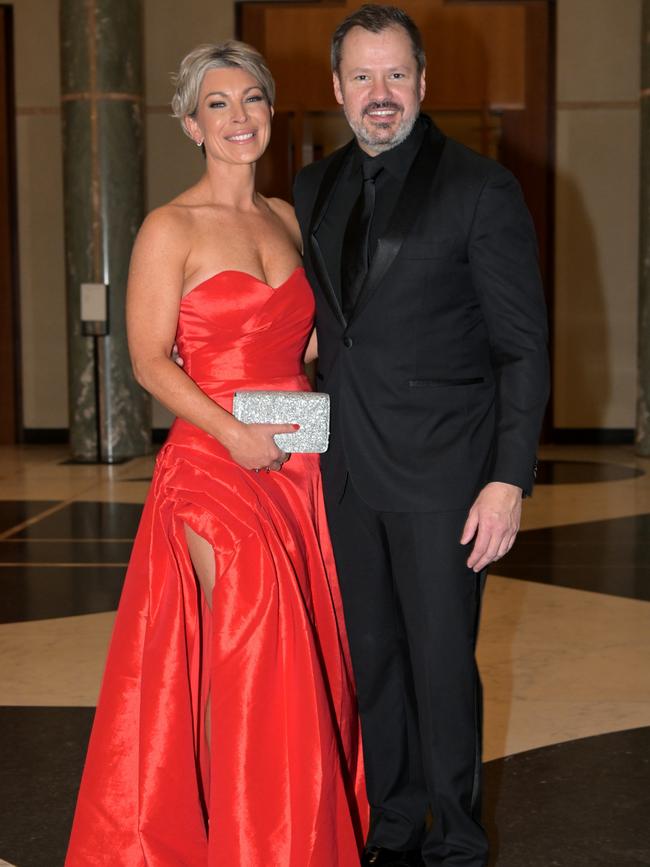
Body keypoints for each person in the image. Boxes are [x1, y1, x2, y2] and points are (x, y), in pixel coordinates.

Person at [65, 41, 367, 866]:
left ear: (273, 112)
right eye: (219, 105)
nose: (240, 118)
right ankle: (242, 843)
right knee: (249, 644)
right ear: (191, 124)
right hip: (213, 460)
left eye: (253, 101)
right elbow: (150, 360)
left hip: (299, 461)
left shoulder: (289, 219)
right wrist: (233, 432)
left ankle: (296, 832)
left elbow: (310, 348)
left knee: (309, 657)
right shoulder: (170, 226)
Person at [293, 6, 550, 867]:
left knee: (443, 670)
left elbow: (522, 346)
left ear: (423, 83)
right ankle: (395, 828)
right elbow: (326, 332)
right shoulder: (312, 188)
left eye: (395, 75)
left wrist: (508, 477)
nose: (379, 95)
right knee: (376, 664)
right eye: (362, 77)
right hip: (347, 473)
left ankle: (461, 843)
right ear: (336, 87)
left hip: (446, 475)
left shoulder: (481, 188)